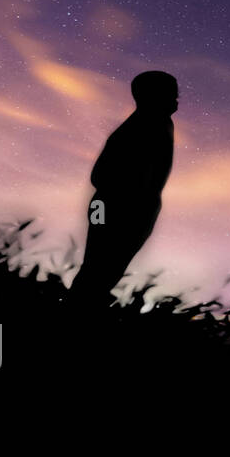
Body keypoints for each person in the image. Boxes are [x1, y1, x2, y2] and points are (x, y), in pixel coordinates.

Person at [71, 71, 178, 299]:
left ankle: (80, 311)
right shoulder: (143, 125)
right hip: (119, 210)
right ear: (151, 94)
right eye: (170, 90)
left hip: (130, 209)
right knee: (98, 272)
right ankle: (75, 317)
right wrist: (135, 198)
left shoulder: (159, 123)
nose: (177, 96)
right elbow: (100, 175)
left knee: (103, 273)